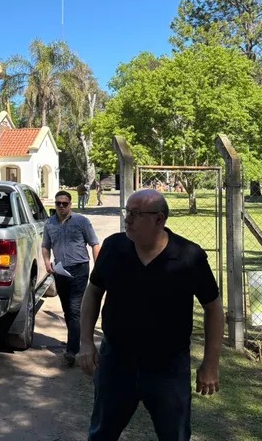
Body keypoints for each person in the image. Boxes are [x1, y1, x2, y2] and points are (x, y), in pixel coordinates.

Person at [78, 189, 224, 441]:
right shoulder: (114, 247)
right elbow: (93, 292)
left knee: (175, 436)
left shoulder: (189, 256)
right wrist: (85, 341)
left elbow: (213, 308)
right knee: (102, 433)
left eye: (135, 214)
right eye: (127, 212)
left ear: (159, 220)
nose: (127, 219)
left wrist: (210, 363)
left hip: (168, 367)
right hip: (116, 362)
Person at [42, 190, 100, 366]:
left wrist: (98, 269)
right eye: (58, 203)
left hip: (80, 269)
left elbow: (94, 244)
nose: (61, 206)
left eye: (64, 203)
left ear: (70, 205)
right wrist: (47, 262)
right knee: (67, 309)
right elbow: (46, 246)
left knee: (75, 309)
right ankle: (76, 338)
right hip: (60, 271)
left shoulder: (81, 222)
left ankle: (72, 350)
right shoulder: (49, 224)